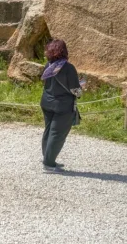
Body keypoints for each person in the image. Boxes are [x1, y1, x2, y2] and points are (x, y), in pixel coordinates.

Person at [40, 39, 85, 172]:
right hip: (62, 105)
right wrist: (81, 88)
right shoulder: (68, 68)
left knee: (49, 131)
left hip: (47, 102)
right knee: (57, 134)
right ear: (63, 51)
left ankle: (48, 158)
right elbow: (75, 89)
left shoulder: (48, 65)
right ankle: (49, 163)